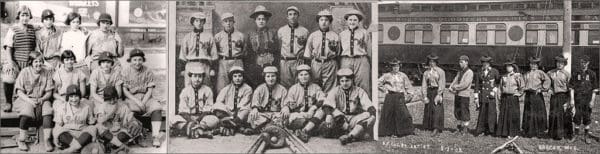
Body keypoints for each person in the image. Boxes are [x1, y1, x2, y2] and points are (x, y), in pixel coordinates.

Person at [120, 49, 164, 147]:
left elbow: (150, 90)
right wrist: (137, 102)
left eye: (140, 59)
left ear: (143, 60)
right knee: (130, 111)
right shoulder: (126, 71)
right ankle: (137, 135)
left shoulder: (147, 70)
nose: (137, 62)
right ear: (130, 60)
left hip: (146, 97)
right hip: (132, 98)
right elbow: (125, 90)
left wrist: (143, 102)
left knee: (156, 107)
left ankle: (155, 136)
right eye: (134, 60)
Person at [320, 68, 375, 145]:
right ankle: (355, 133)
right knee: (332, 115)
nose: (344, 83)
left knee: (369, 116)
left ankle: (349, 136)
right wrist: (329, 115)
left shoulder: (359, 90)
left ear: (352, 80)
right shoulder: (335, 90)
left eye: (347, 81)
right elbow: (327, 105)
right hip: (340, 118)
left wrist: (372, 115)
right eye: (342, 81)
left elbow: (369, 106)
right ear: (339, 81)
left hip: (354, 118)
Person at [12, 51, 55, 151]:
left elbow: (49, 92)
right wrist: (30, 101)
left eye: (40, 61)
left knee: (48, 110)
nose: (38, 64)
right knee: (27, 110)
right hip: (25, 99)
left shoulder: (46, 72)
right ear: (31, 62)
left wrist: (42, 99)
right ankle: (22, 140)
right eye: (36, 61)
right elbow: (19, 92)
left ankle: (47, 140)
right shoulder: (25, 72)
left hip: (42, 98)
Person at [3, 5, 37, 112]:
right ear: (19, 16)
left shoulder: (32, 29)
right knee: (8, 78)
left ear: (30, 16)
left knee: (30, 83)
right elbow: (8, 47)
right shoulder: (13, 29)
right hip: (16, 62)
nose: (25, 18)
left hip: (29, 63)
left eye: (27, 15)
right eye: (23, 15)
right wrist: (10, 62)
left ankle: (25, 103)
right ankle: (8, 102)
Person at [282, 64, 326, 142]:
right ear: (298, 77)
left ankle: (305, 130)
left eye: (306, 74)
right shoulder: (293, 89)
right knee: (298, 120)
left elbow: (322, 99)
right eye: (301, 75)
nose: (304, 77)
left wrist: (313, 108)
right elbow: (290, 105)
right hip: (300, 114)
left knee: (322, 111)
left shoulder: (316, 87)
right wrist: (301, 112)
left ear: (310, 76)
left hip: (312, 114)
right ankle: (311, 128)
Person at [171, 67, 218, 139]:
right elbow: (182, 110)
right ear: (190, 77)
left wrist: (198, 120)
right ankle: (201, 132)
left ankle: (191, 130)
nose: (197, 79)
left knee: (214, 119)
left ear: (203, 78)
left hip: (203, 118)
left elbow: (208, 108)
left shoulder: (207, 90)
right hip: (188, 118)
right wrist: (191, 121)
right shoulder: (185, 91)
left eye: (200, 76)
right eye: (195, 76)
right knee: (172, 120)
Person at [95, 86, 143, 153]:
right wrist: (112, 112)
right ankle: (117, 145)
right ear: (106, 99)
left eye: (114, 98)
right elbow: (100, 120)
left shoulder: (122, 105)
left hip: (119, 131)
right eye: (109, 100)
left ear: (117, 97)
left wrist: (134, 122)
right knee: (99, 128)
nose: (112, 101)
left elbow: (130, 118)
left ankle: (112, 145)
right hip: (107, 132)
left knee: (122, 135)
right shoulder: (103, 106)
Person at [304, 9, 339, 92]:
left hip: (330, 63)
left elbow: (338, 52)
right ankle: (317, 103)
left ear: (330, 22)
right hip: (316, 63)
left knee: (330, 86)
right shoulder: (313, 35)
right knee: (315, 85)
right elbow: (307, 52)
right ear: (318, 21)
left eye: (326, 20)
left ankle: (327, 103)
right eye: (321, 20)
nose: (324, 22)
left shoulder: (335, 36)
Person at [179, 12, 217, 89]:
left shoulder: (209, 36)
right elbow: (183, 54)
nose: (199, 23)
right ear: (193, 22)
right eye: (196, 21)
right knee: (189, 88)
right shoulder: (187, 37)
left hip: (204, 65)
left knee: (206, 88)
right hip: (190, 65)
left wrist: (212, 69)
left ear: (204, 22)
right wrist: (182, 69)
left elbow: (214, 54)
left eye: (201, 21)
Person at [53, 85, 96, 153]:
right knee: (60, 133)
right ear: (67, 97)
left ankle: (69, 150)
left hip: (81, 133)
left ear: (80, 97)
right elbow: (58, 125)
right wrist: (55, 137)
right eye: (71, 96)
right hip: (68, 134)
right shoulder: (62, 107)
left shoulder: (86, 107)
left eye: (76, 96)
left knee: (92, 130)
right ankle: (78, 147)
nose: (74, 99)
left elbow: (91, 123)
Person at [378, 59, 415, 137]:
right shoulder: (387, 75)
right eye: (394, 66)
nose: (395, 68)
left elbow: (408, 85)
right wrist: (385, 89)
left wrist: (410, 94)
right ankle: (390, 132)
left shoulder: (403, 75)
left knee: (404, 113)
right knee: (389, 114)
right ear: (391, 67)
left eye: (397, 66)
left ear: (399, 66)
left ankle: (406, 131)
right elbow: (378, 83)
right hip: (390, 96)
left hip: (399, 96)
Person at [339, 9, 371, 97]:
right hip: (346, 60)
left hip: (361, 60)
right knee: (346, 81)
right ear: (347, 21)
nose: (352, 22)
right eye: (350, 20)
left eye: (355, 20)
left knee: (362, 83)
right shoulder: (342, 34)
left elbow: (369, 49)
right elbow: (339, 50)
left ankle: (364, 106)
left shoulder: (364, 33)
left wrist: (369, 61)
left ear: (358, 22)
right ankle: (347, 105)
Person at [246, 5, 278, 89]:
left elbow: (277, 50)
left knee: (270, 85)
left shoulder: (273, 32)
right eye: (259, 19)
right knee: (257, 85)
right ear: (255, 20)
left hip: (270, 63)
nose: (261, 21)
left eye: (263, 19)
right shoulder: (251, 34)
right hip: (255, 65)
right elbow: (248, 52)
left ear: (267, 20)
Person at [214, 66, 253, 136]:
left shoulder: (248, 89)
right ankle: (236, 126)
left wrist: (235, 115)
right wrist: (225, 108)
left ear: (243, 77)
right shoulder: (227, 88)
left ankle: (227, 126)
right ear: (231, 78)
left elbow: (244, 103)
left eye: (240, 76)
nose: (237, 78)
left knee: (246, 109)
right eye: (235, 76)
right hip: (229, 113)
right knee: (216, 106)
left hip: (240, 114)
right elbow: (219, 100)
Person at [248, 66, 288, 134]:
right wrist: (255, 108)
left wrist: (285, 107)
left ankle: (266, 128)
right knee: (252, 116)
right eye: (268, 76)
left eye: (273, 76)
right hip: (263, 114)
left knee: (285, 117)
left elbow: (285, 103)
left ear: (276, 77)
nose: (271, 79)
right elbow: (255, 102)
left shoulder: (282, 89)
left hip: (276, 114)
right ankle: (270, 127)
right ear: (264, 78)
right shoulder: (260, 88)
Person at [278, 6, 309, 88]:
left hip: (298, 61)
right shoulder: (281, 30)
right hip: (285, 61)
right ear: (287, 17)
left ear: (298, 16)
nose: (292, 16)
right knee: (285, 85)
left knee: (299, 84)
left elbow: (307, 47)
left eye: (295, 14)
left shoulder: (304, 31)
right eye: (290, 14)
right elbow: (278, 46)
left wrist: (302, 54)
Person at [570, 55, 598, 143]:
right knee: (576, 117)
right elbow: (571, 87)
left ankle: (587, 136)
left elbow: (594, 89)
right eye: (582, 62)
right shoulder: (575, 73)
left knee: (587, 117)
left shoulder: (592, 74)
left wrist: (592, 101)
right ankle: (576, 135)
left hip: (587, 99)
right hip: (578, 99)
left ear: (588, 63)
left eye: (585, 62)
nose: (583, 64)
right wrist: (572, 100)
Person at [215, 13, 245, 92]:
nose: (228, 23)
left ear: (233, 22)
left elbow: (244, 51)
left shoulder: (240, 35)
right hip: (223, 62)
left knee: (238, 84)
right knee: (222, 86)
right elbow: (215, 52)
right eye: (226, 21)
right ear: (222, 23)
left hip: (237, 61)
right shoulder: (218, 36)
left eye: (230, 21)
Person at [522, 56, 550, 138]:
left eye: (535, 64)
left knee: (537, 113)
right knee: (529, 112)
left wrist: (542, 89)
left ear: (538, 65)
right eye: (531, 64)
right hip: (528, 95)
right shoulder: (526, 73)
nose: (533, 66)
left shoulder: (540, 72)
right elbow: (522, 82)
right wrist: (523, 88)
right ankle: (529, 131)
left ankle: (539, 132)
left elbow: (547, 80)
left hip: (537, 95)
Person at [52, 50, 88, 114]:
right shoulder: (58, 73)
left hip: (77, 97)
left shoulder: (79, 72)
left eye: (71, 59)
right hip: (63, 98)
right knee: (60, 108)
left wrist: (74, 99)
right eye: (67, 60)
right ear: (63, 61)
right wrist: (63, 99)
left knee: (86, 107)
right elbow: (54, 93)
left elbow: (83, 93)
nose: (69, 62)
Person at [547, 55, 574, 140]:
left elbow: (570, 88)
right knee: (553, 114)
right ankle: (553, 134)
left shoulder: (567, 74)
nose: (559, 64)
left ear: (564, 64)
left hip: (563, 96)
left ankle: (562, 135)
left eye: (561, 63)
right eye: (558, 62)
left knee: (562, 115)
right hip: (554, 97)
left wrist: (569, 100)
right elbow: (548, 84)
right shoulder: (550, 73)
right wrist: (549, 89)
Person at [496, 60, 524, 138]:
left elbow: (522, 87)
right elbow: (500, 88)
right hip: (505, 98)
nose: (508, 68)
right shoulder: (504, 76)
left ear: (513, 67)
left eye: (510, 66)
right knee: (504, 115)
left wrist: (519, 94)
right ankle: (504, 132)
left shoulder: (517, 76)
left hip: (513, 98)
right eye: (507, 66)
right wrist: (499, 97)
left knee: (513, 115)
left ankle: (513, 133)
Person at [473, 56, 500, 136]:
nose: (485, 64)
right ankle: (481, 130)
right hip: (483, 95)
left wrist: (494, 90)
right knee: (483, 113)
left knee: (491, 113)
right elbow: (477, 85)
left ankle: (492, 130)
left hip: (491, 95)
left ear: (489, 63)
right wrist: (476, 97)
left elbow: (498, 83)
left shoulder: (495, 71)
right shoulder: (479, 72)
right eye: (484, 63)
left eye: (487, 63)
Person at [421, 54, 446, 136]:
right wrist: (424, 95)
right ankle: (428, 126)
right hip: (429, 91)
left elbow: (442, 84)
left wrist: (439, 94)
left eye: (433, 62)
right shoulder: (426, 72)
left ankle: (436, 128)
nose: (432, 63)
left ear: (436, 62)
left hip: (437, 91)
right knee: (428, 107)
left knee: (437, 109)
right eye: (430, 62)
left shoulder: (440, 71)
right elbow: (424, 84)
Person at [448, 55, 474, 135]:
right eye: (459, 62)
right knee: (457, 111)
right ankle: (459, 127)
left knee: (464, 112)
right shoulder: (459, 72)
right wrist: (450, 86)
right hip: (458, 95)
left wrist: (455, 87)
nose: (460, 64)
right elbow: (455, 80)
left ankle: (465, 129)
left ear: (466, 62)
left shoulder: (469, 72)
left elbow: (465, 84)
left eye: (462, 62)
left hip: (464, 95)